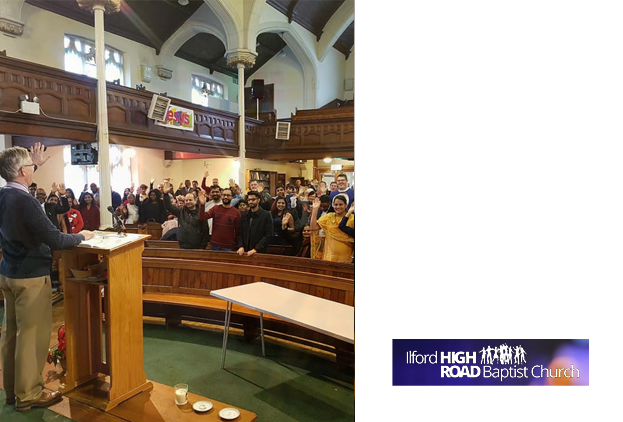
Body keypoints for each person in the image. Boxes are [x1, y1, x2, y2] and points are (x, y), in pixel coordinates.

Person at [0, 143, 95, 412]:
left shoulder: (3, 195)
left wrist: (35, 164)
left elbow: (18, 184)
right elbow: (55, 239)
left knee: (11, 335)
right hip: (30, 276)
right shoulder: (26, 201)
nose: (33, 170)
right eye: (30, 167)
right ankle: (29, 395)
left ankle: (13, 391)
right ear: (21, 171)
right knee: (32, 338)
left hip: (8, 272)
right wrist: (82, 236)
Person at [162, 182, 209, 249]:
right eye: (186, 200)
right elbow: (169, 207)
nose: (188, 202)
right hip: (182, 245)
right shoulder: (181, 211)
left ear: (195, 200)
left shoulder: (200, 213)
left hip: (197, 246)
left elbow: (205, 231)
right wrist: (166, 194)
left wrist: (202, 247)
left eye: (190, 200)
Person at [310, 194, 354, 263]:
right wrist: (315, 209)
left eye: (340, 204)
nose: (338, 207)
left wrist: (352, 258)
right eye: (336, 205)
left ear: (346, 205)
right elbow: (313, 227)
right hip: (329, 258)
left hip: (346, 259)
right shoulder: (328, 217)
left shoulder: (352, 219)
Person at [237, 191, 273, 256]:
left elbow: (268, 235)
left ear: (258, 200)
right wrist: (241, 246)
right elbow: (240, 233)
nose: (250, 202)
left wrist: (256, 248)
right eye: (249, 200)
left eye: (253, 200)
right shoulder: (244, 215)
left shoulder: (266, 215)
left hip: (259, 252)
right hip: (244, 251)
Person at [309, 194, 331, 259]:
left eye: (325, 206)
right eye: (321, 206)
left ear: (329, 203)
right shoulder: (317, 210)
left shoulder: (333, 211)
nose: (322, 208)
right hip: (318, 237)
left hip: (328, 238)